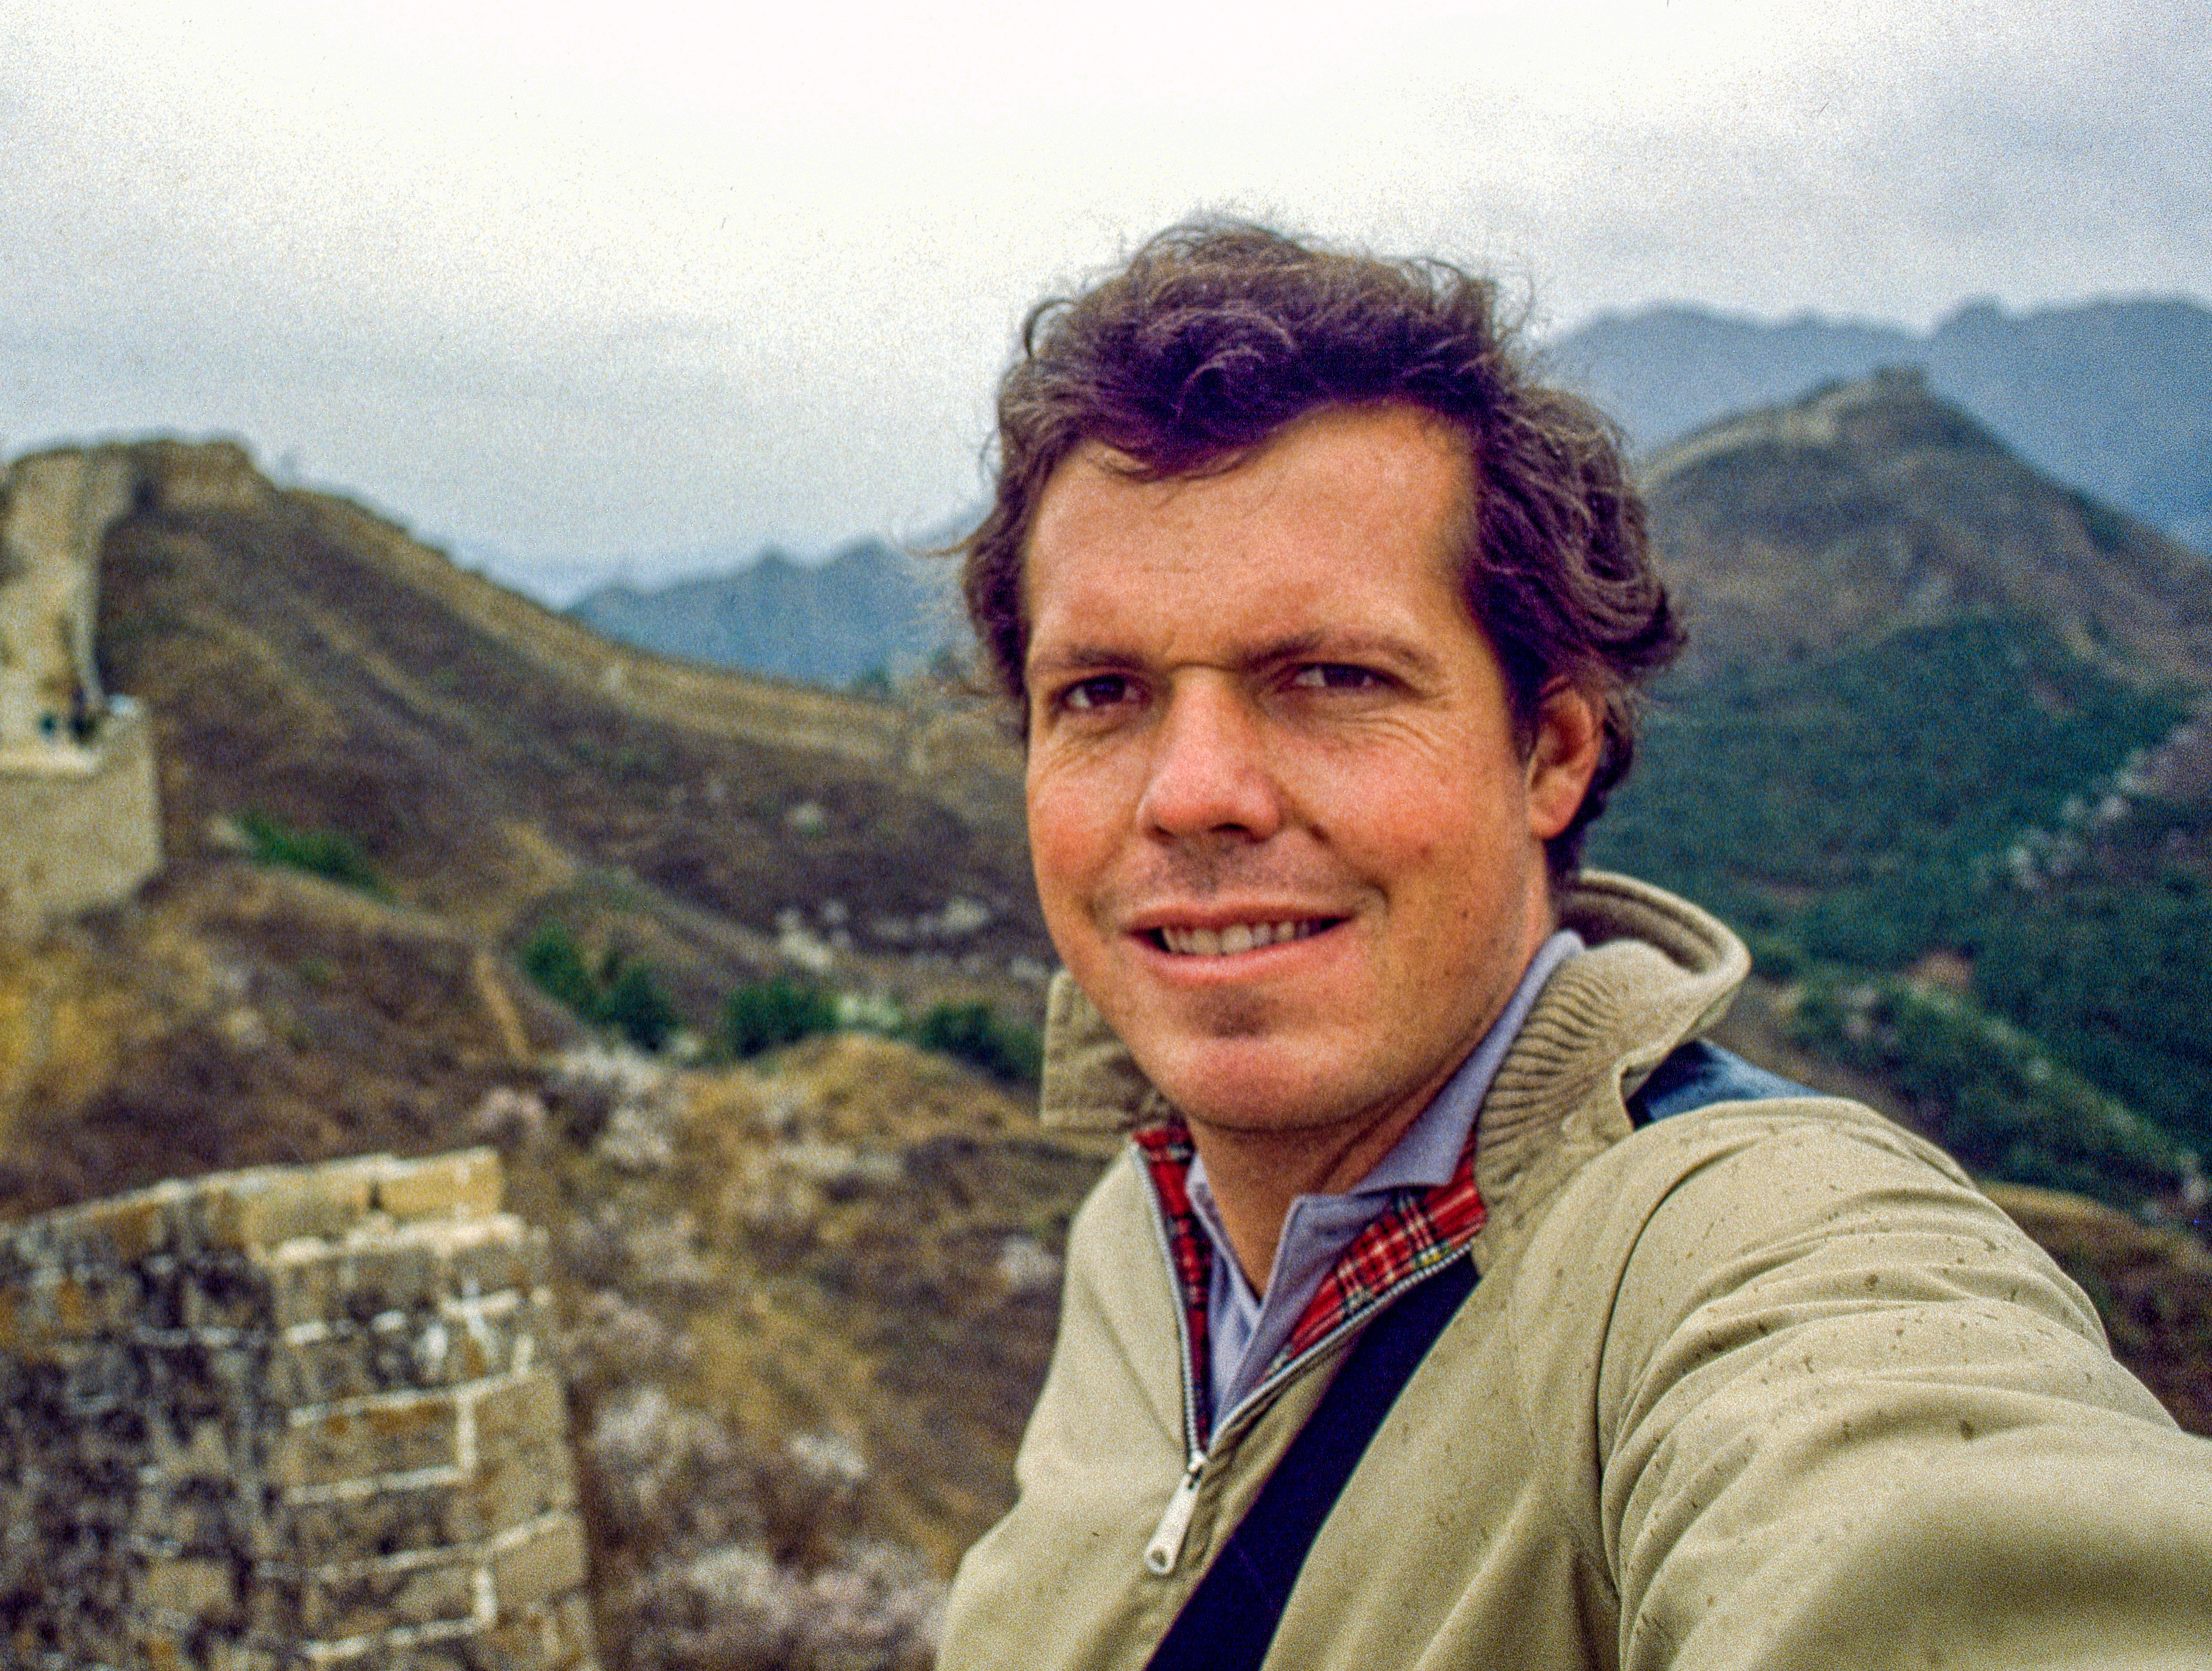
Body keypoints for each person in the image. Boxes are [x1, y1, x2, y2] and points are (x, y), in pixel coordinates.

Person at [936, 219, 2212, 1670]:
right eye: (1100, 693)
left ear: (1547, 749)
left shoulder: (1733, 1245)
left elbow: (1928, 1530)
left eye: (1330, 676)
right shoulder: (1137, 1224)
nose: (1192, 792)